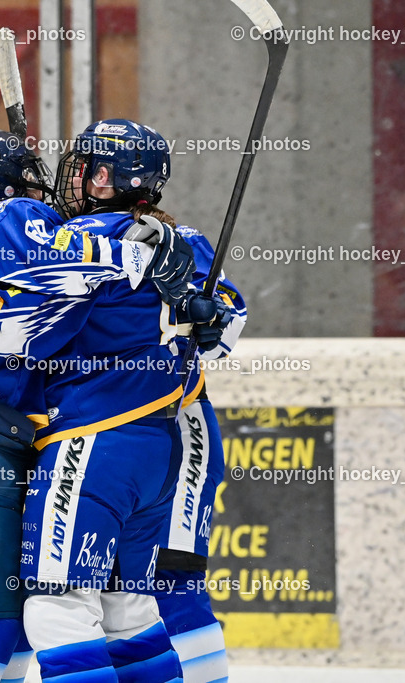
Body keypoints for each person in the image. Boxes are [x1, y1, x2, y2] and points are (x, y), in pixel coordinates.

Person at [0, 129, 195, 683]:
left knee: (51, 608)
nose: (55, 180)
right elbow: (44, 308)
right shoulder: (13, 218)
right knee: (7, 612)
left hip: (12, 438)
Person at [153, 222, 247, 683]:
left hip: (180, 427)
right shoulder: (72, 238)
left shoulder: (178, 239)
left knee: (172, 580)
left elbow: (231, 317)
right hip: (102, 439)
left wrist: (214, 320)